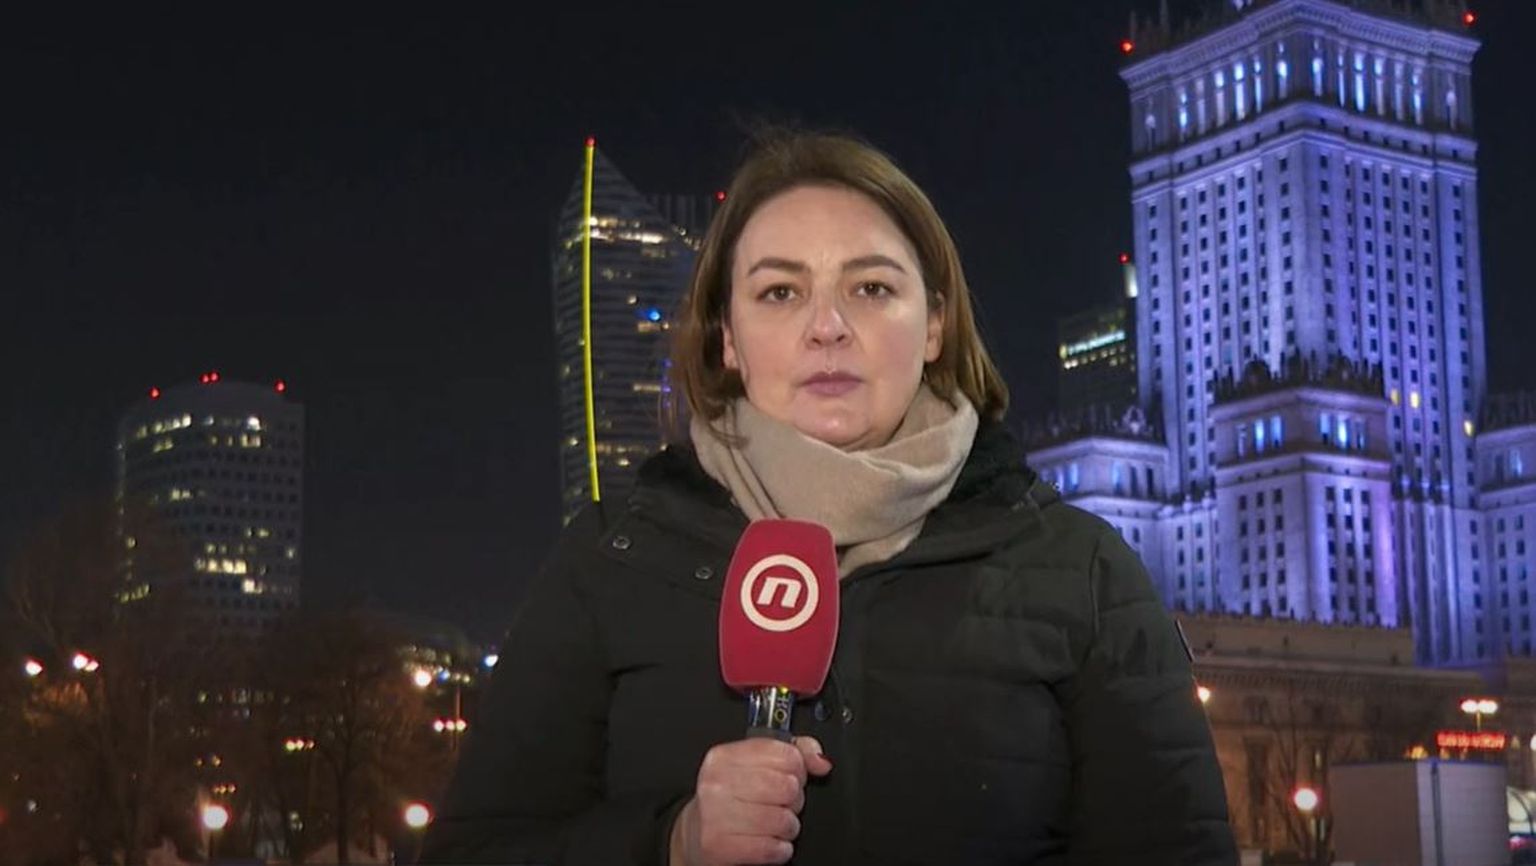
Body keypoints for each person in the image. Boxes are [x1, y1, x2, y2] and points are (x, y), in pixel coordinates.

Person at [419, 130, 1237, 865]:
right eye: (780, 292)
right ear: (727, 339)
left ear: (935, 325)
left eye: (871, 288)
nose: (828, 326)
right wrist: (671, 842)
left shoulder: (1084, 574)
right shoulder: (610, 559)